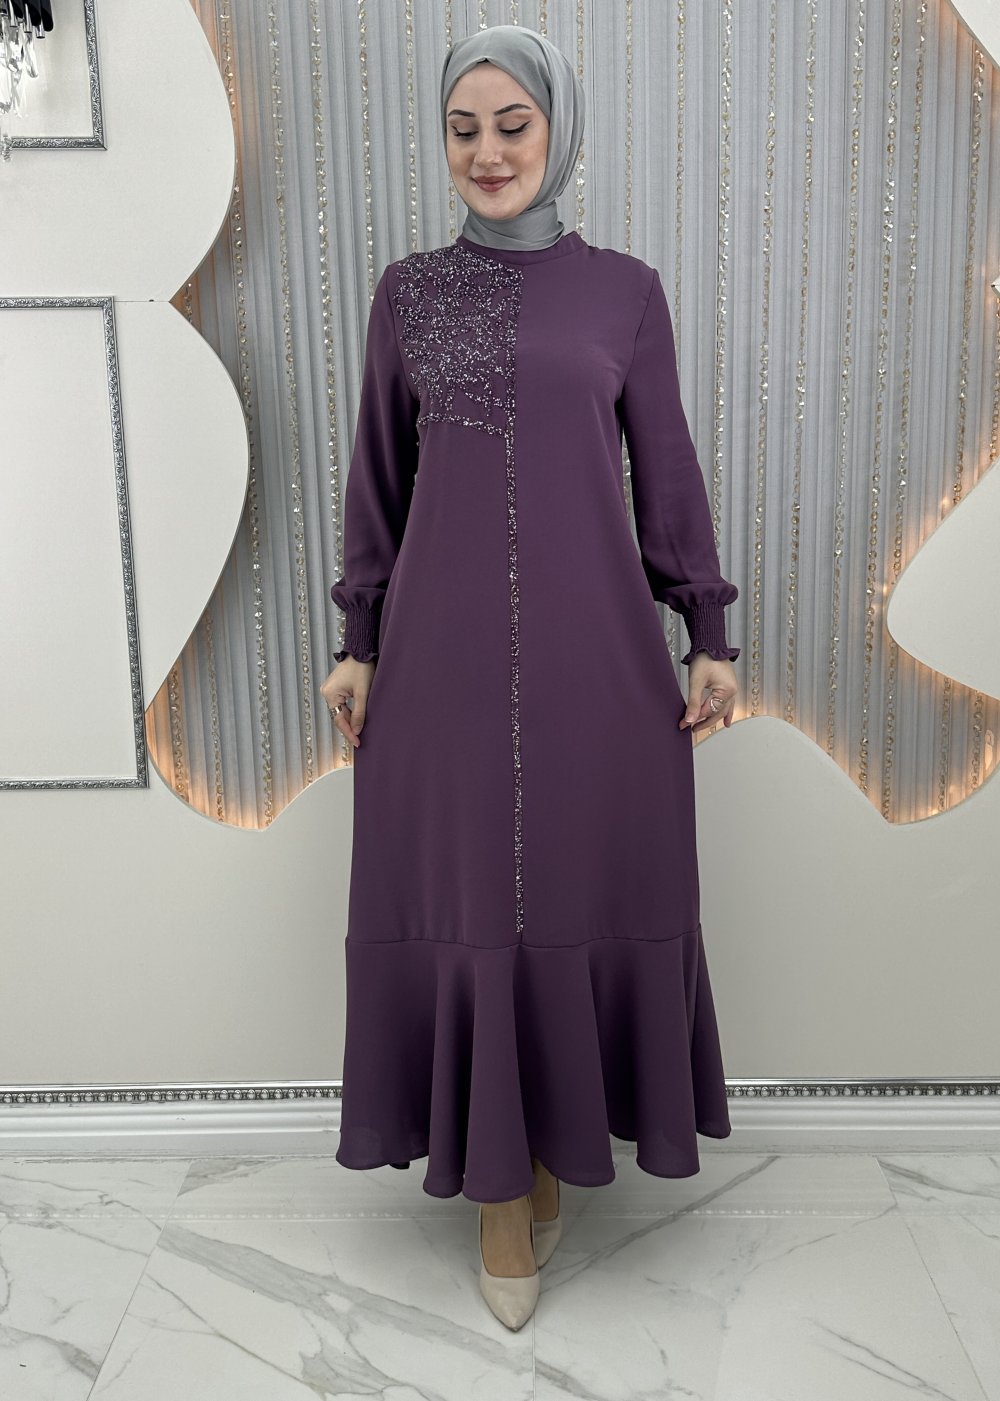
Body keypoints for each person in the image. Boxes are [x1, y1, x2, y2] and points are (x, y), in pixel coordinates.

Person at [319, 24, 740, 1331]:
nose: (489, 151)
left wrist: (708, 630)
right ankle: (501, 1195)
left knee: (570, 886)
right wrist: (355, 640)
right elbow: (377, 479)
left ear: (558, 131)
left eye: (514, 124)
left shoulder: (624, 293)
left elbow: (665, 469)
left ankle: (550, 1155)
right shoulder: (407, 293)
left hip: (594, 657)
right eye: (465, 129)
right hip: (436, 664)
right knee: (467, 898)